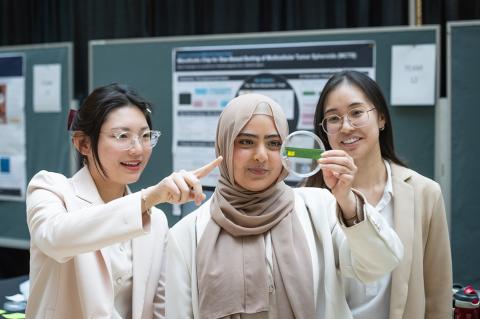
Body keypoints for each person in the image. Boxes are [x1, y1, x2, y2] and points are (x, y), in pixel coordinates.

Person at [165, 93, 404, 319]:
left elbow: (381, 263)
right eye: (246, 142)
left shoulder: (319, 209)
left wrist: (348, 201)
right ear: (224, 147)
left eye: (273, 143)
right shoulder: (188, 234)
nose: (261, 156)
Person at [25, 83, 221, 319]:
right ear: (83, 143)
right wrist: (148, 198)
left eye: (145, 136)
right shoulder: (50, 188)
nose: (137, 149)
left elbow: (160, 309)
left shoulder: (156, 221)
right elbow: (56, 238)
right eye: (122, 136)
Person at [305, 70, 452, 319]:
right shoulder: (309, 199)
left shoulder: (425, 193)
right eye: (333, 118)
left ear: (381, 118)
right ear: (324, 131)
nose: (346, 126)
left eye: (357, 112)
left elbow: (437, 295)